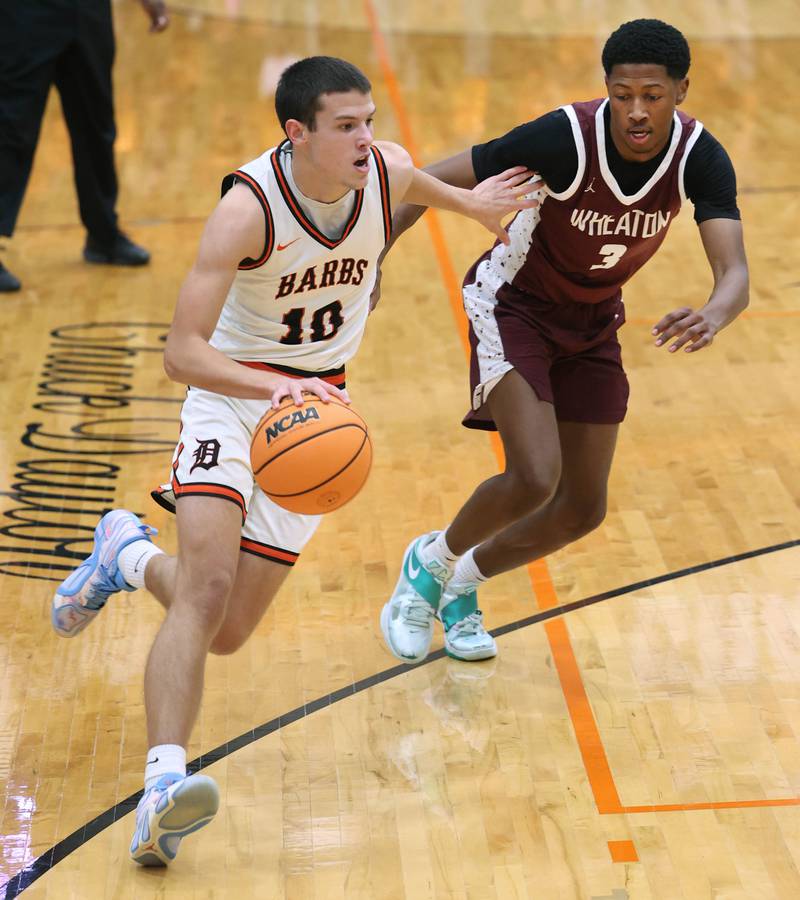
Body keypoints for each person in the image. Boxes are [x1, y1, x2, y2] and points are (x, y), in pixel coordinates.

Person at [49, 56, 536, 866]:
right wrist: (271, 388)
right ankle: (161, 789)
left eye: (369, 121)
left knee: (227, 629)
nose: (365, 138)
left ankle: (125, 553)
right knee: (204, 588)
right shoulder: (248, 209)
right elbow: (181, 354)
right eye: (346, 126)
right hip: (232, 398)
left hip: (318, 418)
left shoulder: (385, 173)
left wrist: (478, 207)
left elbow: (431, 189)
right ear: (296, 133)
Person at [378, 18, 749, 665]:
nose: (636, 111)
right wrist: (372, 259)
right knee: (534, 475)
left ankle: (463, 585)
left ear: (682, 90)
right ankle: (427, 570)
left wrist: (715, 313)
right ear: (606, 88)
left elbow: (736, 273)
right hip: (513, 306)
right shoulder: (564, 137)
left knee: (582, 508)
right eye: (623, 93)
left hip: (594, 321)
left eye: (652, 96)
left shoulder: (700, 155)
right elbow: (425, 179)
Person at [0, 0, 168, 293]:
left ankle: (103, 235)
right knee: (13, 128)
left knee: (97, 126)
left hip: (89, 11)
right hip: (24, 11)